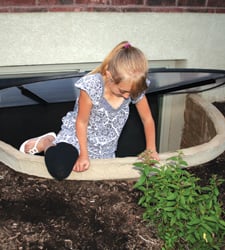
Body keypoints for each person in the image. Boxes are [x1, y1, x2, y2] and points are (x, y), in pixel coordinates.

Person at [19, 41, 159, 180]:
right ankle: (47, 142)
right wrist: (83, 155)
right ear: (109, 76)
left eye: (132, 92)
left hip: (105, 147)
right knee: (60, 170)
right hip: (77, 137)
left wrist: (151, 149)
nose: (128, 96)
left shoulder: (134, 86)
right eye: (123, 91)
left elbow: (147, 119)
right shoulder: (92, 86)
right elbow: (82, 122)